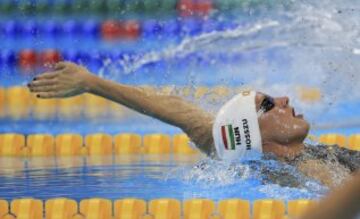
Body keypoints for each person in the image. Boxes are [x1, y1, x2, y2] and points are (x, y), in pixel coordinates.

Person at [27, 61, 360, 188]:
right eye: (269, 105)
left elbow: (181, 113)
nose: (285, 100)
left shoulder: (241, 152)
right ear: (258, 139)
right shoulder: (308, 171)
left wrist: (91, 82)